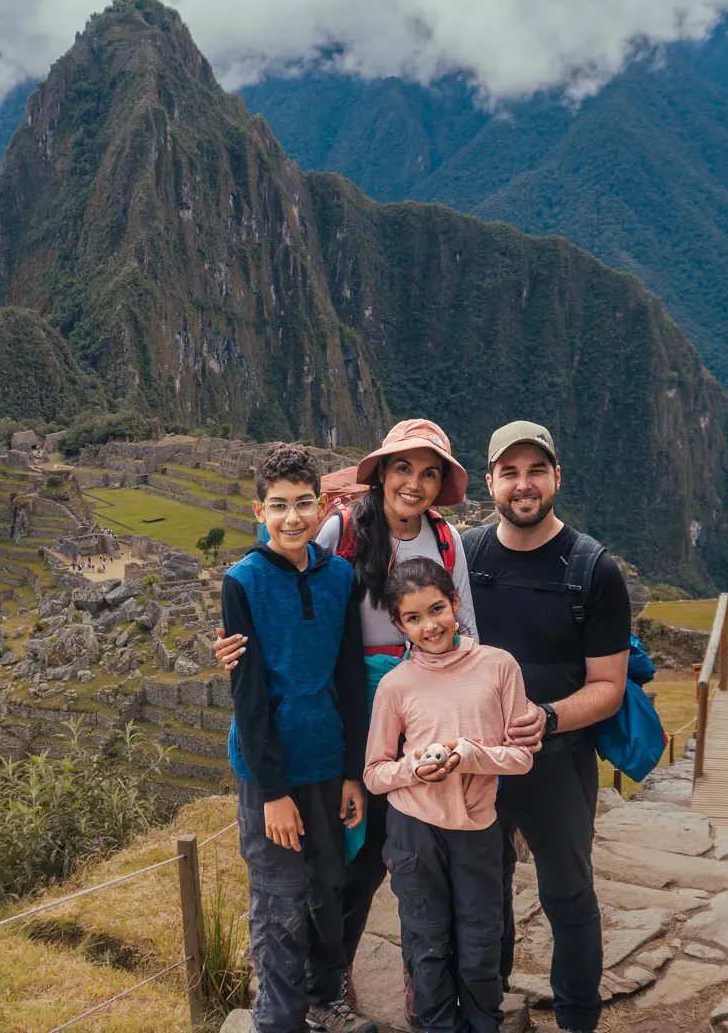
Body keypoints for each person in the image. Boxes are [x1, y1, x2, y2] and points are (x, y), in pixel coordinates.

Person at [217, 419, 480, 979]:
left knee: (394, 843)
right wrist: (236, 641)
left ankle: (369, 980)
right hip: (354, 704)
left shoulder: (445, 541)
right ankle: (322, 981)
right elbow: (286, 573)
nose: (415, 483)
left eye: (429, 473)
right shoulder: (341, 530)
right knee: (351, 851)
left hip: (423, 698)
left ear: (440, 485)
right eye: (403, 467)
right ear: (382, 472)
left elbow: (469, 629)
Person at [463, 421, 630, 1033]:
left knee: (568, 894)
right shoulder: (467, 558)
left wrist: (551, 717)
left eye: (536, 470)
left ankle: (577, 1019)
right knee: (483, 895)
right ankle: (490, 1006)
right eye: (510, 472)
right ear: (490, 483)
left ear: (557, 476)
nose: (523, 484)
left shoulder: (593, 570)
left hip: (557, 763)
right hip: (481, 760)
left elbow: (609, 687)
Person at [222, 444, 377, 1033]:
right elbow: (250, 695)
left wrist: (352, 771)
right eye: (279, 505)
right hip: (274, 771)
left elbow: (347, 676)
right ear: (258, 510)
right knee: (279, 900)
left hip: (327, 761)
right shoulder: (243, 582)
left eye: (303, 504)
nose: (292, 518)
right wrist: (273, 792)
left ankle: (325, 1000)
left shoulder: (339, 576)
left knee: (328, 888)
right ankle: (278, 1018)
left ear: (321, 507)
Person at [363, 557, 536, 1033]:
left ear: (455, 603)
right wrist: (416, 769)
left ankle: (484, 1023)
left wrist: (467, 754)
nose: (430, 626)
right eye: (413, 618)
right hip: (413, 829)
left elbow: (521, 758)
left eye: (437, 610)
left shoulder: (498, 667)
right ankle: (436, 1025)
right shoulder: (396, 685)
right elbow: (376, 773)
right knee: (427, 939)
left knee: (482, 939)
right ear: (399, 625)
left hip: (478, 824)